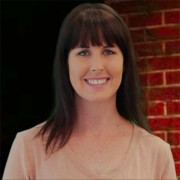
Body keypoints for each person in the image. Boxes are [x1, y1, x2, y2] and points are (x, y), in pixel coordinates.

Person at [3, 3, 177, 179]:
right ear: (66, 64)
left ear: (125, 63)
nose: (97, 66)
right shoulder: (28, 148)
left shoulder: (156, 153)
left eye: (108, 51)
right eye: (84, 52)